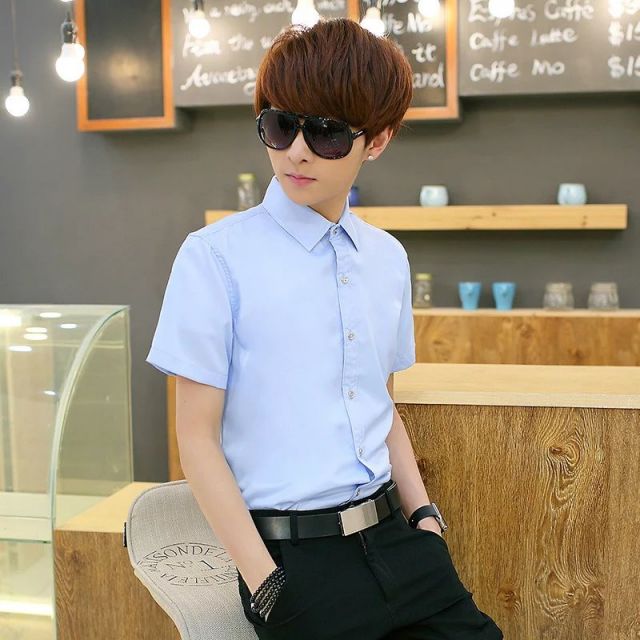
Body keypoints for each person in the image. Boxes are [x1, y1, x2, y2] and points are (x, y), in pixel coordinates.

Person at [146, 17, 503, 640]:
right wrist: (266, 582)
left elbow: (379, 403)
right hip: (296, 566)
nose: (297, 151)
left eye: (328, 133)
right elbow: (195, 439)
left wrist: (424, 517)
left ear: (378, 140)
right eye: (280, 126)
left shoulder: (387, 258)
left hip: (401, 544)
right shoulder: (214, 258)